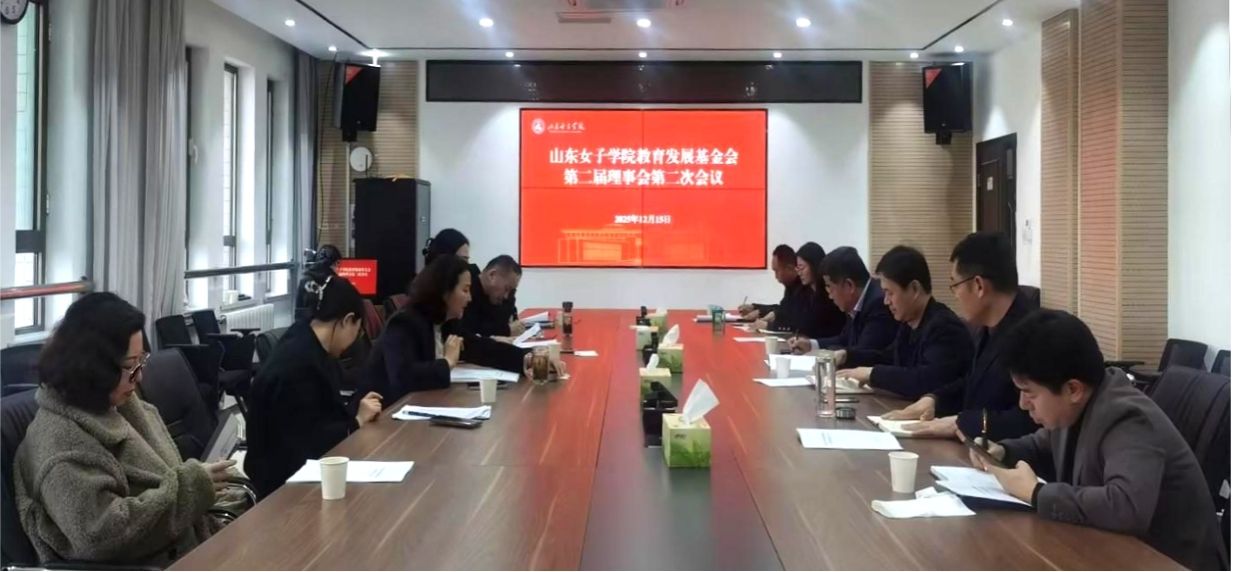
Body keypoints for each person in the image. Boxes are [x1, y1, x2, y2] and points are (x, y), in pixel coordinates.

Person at [969, 310, 1227, 571]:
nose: (1023, 404)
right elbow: (1041, 445)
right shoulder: (1078, 405)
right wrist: (1003, 451)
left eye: (1030, 393)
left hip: (1169, 562)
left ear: (1073, 389)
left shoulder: (1128, 419)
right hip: (1112, 551)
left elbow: (1126, 506)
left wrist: (1036, 493)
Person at [14, 293, 235, 567]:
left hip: (186, 550)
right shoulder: (60, 447)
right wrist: (190, 490)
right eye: (130, 366)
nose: (139, 376)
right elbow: (100, 536)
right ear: (92, 366)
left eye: (142, 361)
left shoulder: (113, 403)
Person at [883, 232, 1037, 441]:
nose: (955, 294)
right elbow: (972, 384)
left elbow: (1030, 421)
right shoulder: (988, 327)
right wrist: (935, 399)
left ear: (979, 286)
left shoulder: (1032, 335)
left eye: (955, 285)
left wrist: (961, 423)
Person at [245, 276, 385, 499]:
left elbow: (322, 416)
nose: (354, 342)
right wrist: (357, 421)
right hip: (283, 486)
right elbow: (310, 440)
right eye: (357, 332)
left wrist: (357, 412)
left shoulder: (305, 339)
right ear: (347, 320)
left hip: (294, 467)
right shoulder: (301, 364)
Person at [364, 255, 556, 403]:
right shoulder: (405, 323)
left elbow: (482, 348)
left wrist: (528, 358)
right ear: (444, 292)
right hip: (385, 416)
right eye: (464, 290)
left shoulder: (446, 324)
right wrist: (447, 362)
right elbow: (402, 378)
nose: (470, 298)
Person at [837, 245, 973, 399]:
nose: (886, 301)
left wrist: (872, 373)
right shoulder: (908, 323)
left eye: (890, 293)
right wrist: (847, 355)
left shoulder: (944, 327)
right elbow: (888, 358)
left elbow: (926, 380)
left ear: (914, 289)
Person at [790, 246, 898, 362]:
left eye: (830, 287)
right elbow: (844, 339)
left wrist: (841, 355)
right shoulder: (857, 301)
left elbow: (863, 354)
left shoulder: (878, 304)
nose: (830, 296)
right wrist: (811, 345)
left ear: (849, 286)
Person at [773, 242, 847, 338]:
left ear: (814, 265)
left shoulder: (830, 293)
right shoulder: (801, 292)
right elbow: (790, 319)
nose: (799, 273)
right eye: (797, 268)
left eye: (802, 268)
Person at [739, 244, 801, 331]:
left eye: (776, 271)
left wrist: (768, 326)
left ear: (789, 268)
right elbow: (782, 309)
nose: (775, 276)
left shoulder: (804, 287)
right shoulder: (790, 286)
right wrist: (756, 308)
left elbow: (796, 323)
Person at [462, 255, 525, 339]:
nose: (506, 296)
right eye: (506, 289)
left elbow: (511, 319)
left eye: (511, 290)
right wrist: (506, 330)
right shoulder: (467, 294)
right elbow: (470, 330)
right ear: (492, 275)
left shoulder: (500, 297)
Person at [296, 244, 342, 315]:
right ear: (336, 263)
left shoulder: (304, 280)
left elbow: (298, 309)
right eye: (339, 265)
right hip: (327, 320)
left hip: (305, 320)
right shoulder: (335, 283)